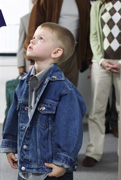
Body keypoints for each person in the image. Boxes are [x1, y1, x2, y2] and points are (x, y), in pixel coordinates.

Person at [0, 22, 86, 180]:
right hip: (26, 167)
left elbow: (70, 130)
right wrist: (9, 144)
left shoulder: (65, 90)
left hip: (51, 169)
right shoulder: (22, 83)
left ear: (56, 52)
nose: (32, 41)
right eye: (33, 37)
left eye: (40, 39)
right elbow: (13, 116)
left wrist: (63, 162)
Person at [82, 0, 121, 167]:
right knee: (97, 110)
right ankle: (93, 152)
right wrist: (101, 60)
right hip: (101, 63)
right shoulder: (97, 5)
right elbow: (94, 36)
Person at [23, 0, 92, 87]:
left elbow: (88, 29)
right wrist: (33, 61)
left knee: (70, 88)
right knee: (47, 89)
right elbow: (34, 26)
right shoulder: (45, 1)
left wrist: (89, 59)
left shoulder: (83, 2)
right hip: (50, 52)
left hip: (73, 53)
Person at [17, 0, 36, 76]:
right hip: (29, 63)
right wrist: (20, 65)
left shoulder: (50, 18)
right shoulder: (24, 19)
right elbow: (21, 43)